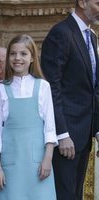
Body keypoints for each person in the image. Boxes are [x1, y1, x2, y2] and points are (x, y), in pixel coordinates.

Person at [41, 0, 99, 199]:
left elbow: (93, 89)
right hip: (66, 135)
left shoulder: (91, 36)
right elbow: (51, 87)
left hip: (85, 132)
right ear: (82, 2)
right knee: (64, 194)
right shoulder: (61, 33)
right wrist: (61, 133)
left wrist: (97, 127)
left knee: (76, 193)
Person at [0, 34, 58, 200]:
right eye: (13, 54)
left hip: (38, 164)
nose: (17, 58)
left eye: (23, 54)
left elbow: (49, 128)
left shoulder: (43, 86)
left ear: (32, 57)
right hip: (10, 165)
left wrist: (47, 159)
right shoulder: (0, 90)